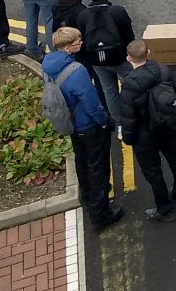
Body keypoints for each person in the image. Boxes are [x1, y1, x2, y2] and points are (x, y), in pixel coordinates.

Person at [43, 27, 124, 230]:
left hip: (72, 125)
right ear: (69, 46)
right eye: (78, 41)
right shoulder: (76, 71)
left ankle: (88, 198)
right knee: (98, 167)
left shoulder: (48, 66)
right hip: (88, 126)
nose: (81, 43)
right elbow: (92, 104)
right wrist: (105, 122)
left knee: (82, 161)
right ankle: (101, 213)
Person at [120, 39, 176, 222]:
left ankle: (164, 208)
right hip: (166, 127)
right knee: (175, 159)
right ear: (148, 53)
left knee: (153, 172)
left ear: (129, 58)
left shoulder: (129, 85)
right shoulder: (163, 71)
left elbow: (128, 117)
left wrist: (128, 139)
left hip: (145, 135)